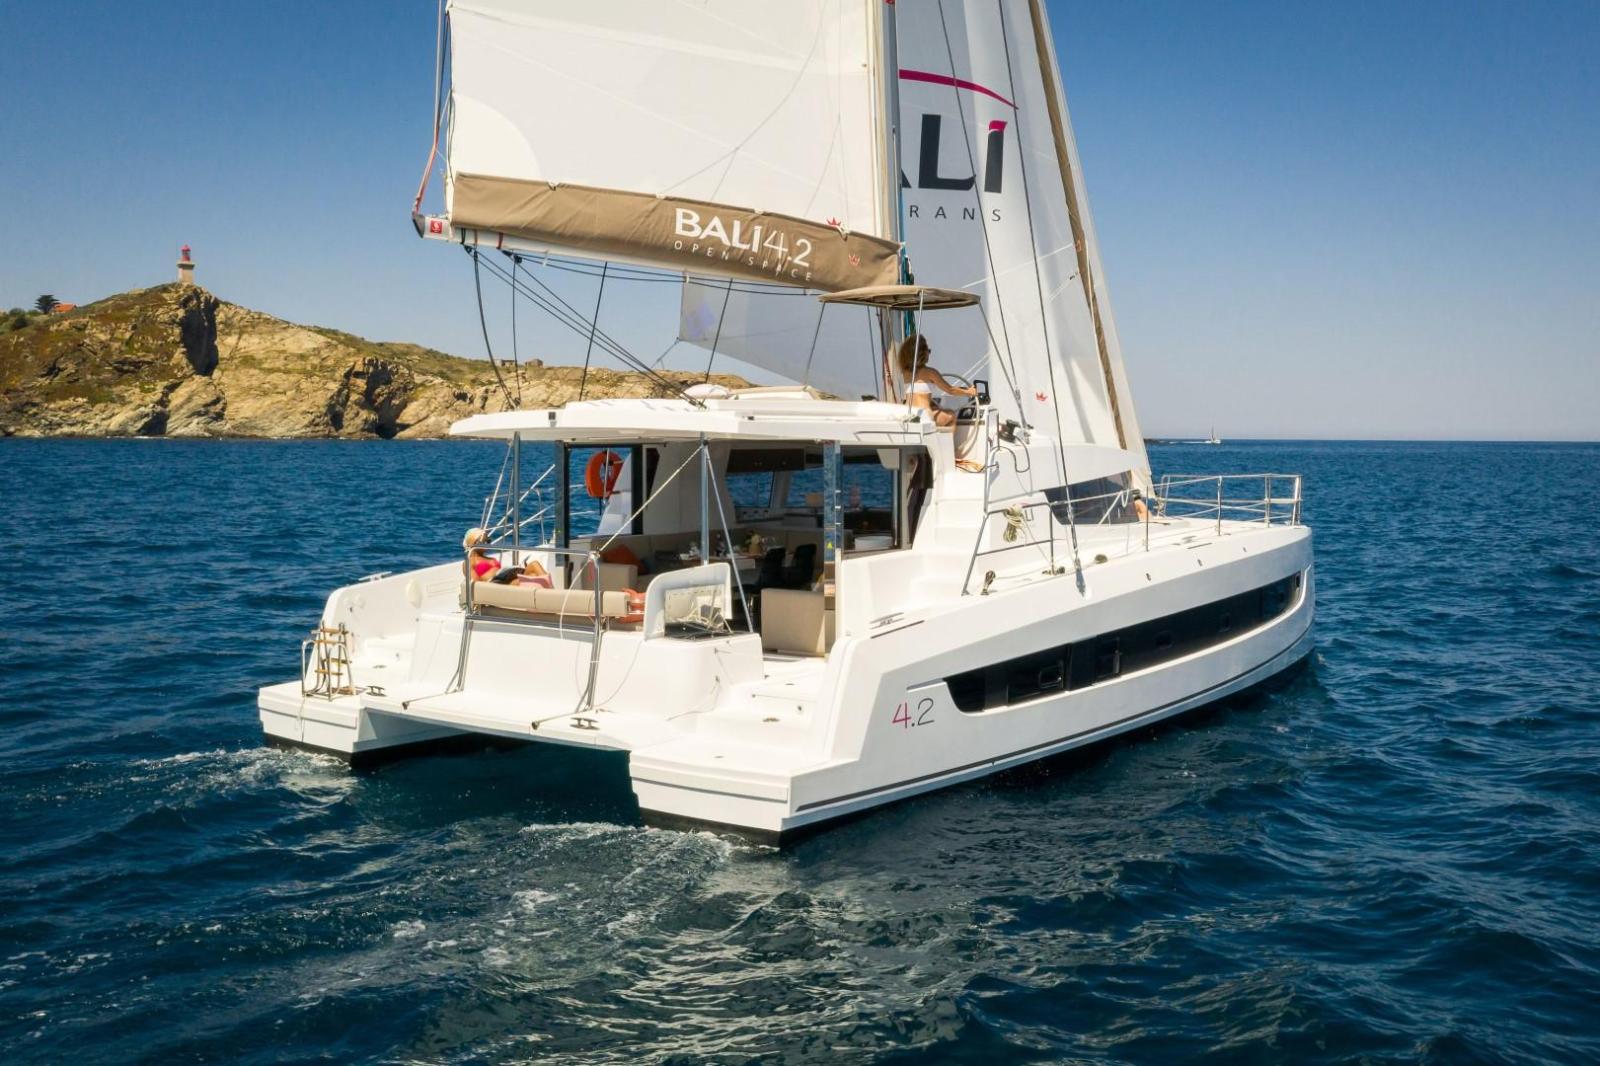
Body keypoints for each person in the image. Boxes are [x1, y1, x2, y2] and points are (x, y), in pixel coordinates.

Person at [896, 334, 976, 428]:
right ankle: (947, 438)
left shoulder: (904, 373)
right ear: (922, 353)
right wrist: (969, 392)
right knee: (951, 415)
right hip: (923, 415)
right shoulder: (931, 373)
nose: (929, 354)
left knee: (937, 412)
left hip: (908, 415)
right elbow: (951, 390)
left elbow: (916, 394)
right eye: (928, 351)